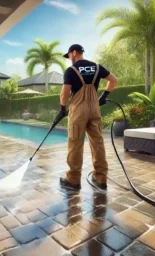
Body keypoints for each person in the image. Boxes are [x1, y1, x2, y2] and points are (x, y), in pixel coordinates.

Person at [53, 44, 118, 190]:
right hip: (94, 110)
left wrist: (62, 109)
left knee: (75, 144)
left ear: (74, 53)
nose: (69, 58)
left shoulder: (71, 70)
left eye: (69, 55)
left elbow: (65, 93)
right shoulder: (97, 67)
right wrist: (104, 96)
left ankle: (73, 180)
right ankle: (101, 178)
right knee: (98, 143)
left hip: (78, 112)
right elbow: (114, 80)